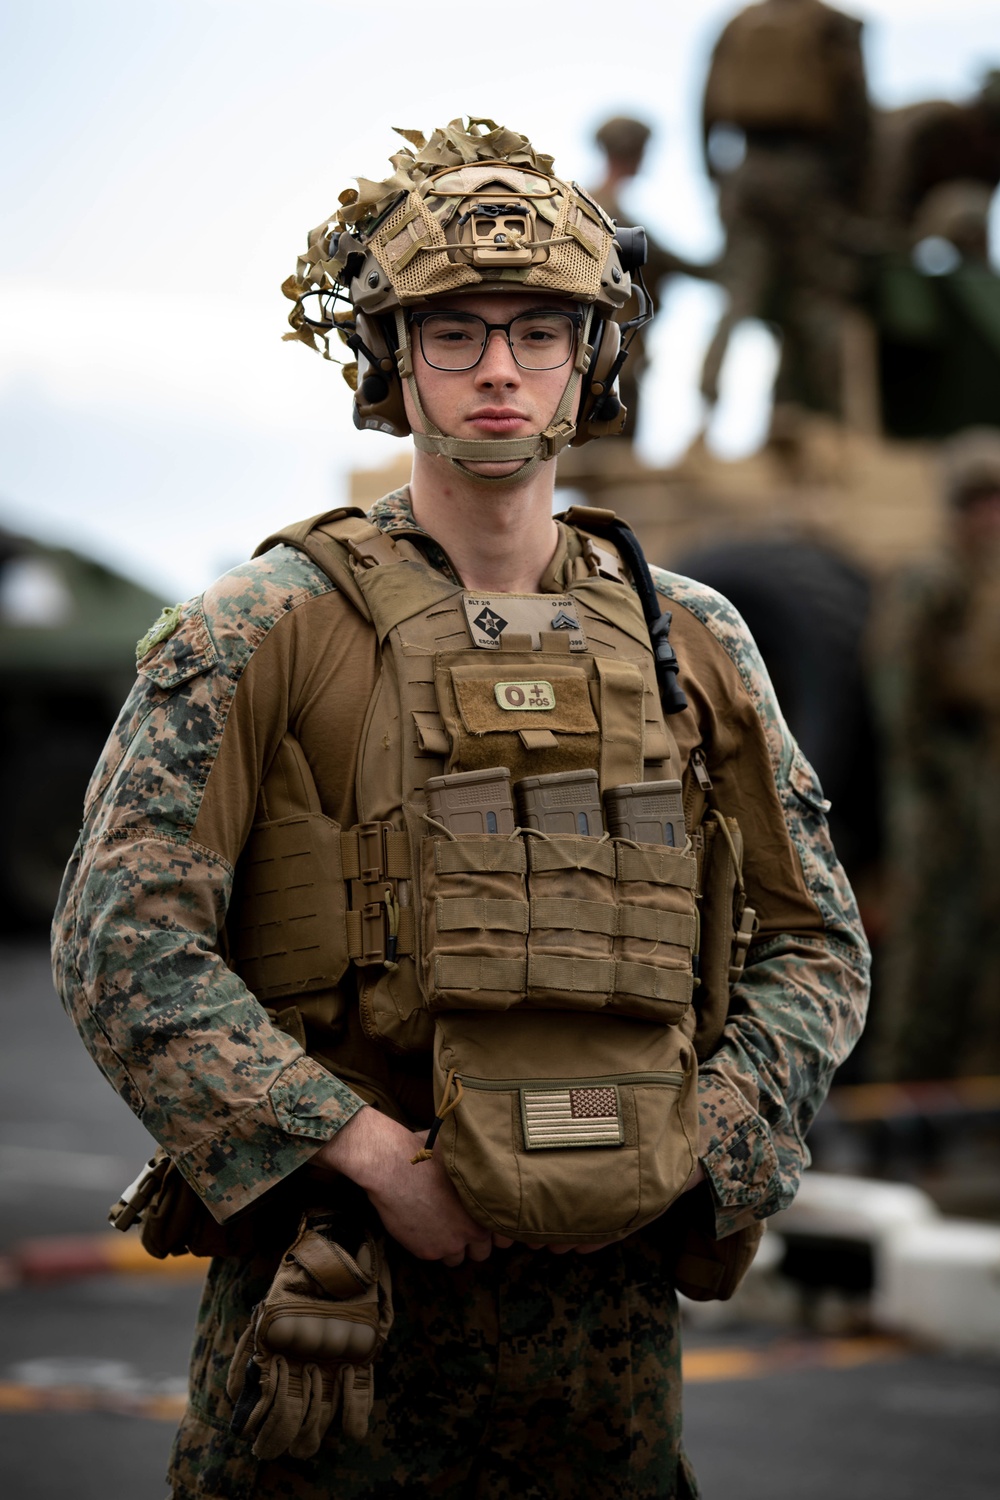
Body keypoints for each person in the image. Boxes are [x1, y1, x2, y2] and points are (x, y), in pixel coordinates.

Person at [52, 118, 869, 1499]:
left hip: (606, 1359)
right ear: (391, 363)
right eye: (454, 332)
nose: (499, 367)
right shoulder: (267, 628)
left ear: (589, 358)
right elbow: (119, 945)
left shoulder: (696, 641)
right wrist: (374, 1158)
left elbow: (818, 945)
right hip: (336, 1335)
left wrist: (693, 1147)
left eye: (539, 329)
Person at [871, 428, 1000, 1082]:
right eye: (980, 501)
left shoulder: (984, 580)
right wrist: (924, 767)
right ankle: (904, 1083)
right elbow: (900, 684)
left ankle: (972, 1071)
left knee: (980, 933)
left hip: (979, 772)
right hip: (934, 776)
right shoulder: (931, 578)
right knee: (928, 937)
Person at [699, 0, 871, 419]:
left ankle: (706, 401)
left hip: (745, 167)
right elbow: (856, 111)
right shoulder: (831, 24)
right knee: (819, 295)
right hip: (808, 170)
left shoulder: (738, 23)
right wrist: (856, 192)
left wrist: (718, 178)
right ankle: (837, 417)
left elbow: (705, 108)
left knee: (739, 293)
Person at [589, 116, 710, 439]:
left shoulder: (584, 207)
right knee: (613, 459)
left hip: (590, 357)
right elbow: (674, 262)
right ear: (636, 152)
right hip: (615, 361)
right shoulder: (614, 218)